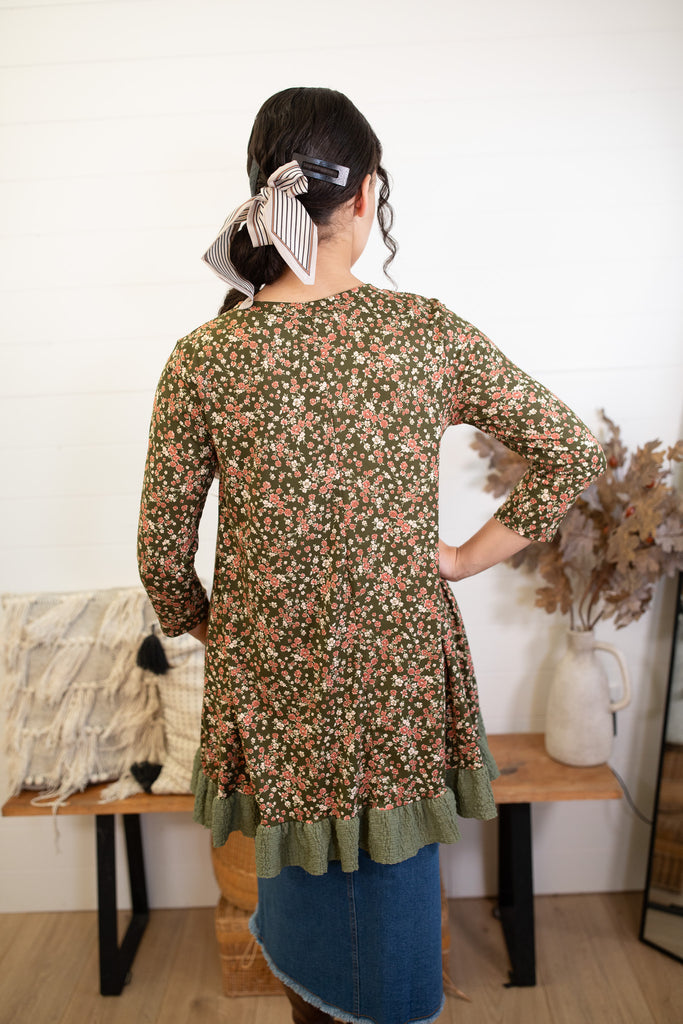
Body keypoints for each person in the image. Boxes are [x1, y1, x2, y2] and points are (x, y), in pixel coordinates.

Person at [137, 87, 606, 1024]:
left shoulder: (204, 358)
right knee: (391, 898)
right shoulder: (422, 333)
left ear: (264, 200)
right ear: (364, 196)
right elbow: (567, 448)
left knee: (305, 901)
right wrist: (461, 558)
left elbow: (160, 555)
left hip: (275, 683)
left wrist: (232, 633)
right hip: (395, 675)